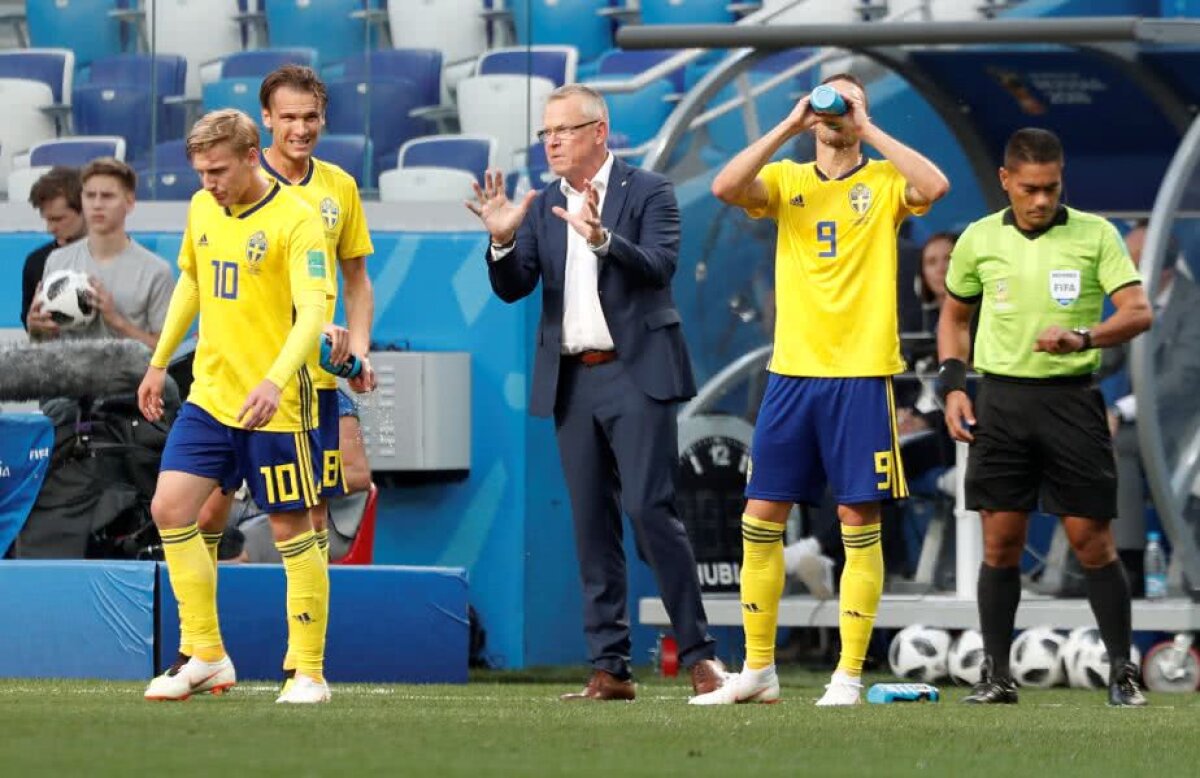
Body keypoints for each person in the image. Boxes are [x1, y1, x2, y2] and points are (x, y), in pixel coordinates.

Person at [693, 72, 949, 706]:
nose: (835, 111)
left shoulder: (884, 181)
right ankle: (758, 671)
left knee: (856, 518)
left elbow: (935, 186)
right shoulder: (787, 181)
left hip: (860, 375)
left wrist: (867, 125)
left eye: (846, 99)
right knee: (760, 518)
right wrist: (789, 123)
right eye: (830, 101)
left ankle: (848, 676)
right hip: (792, 374)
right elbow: (726, 186)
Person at [465, 83, 726, 702]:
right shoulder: (541, 204)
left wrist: (604, 239)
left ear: (599, 132)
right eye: (545, 133)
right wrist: (502, 240)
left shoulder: (649, 191)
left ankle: (700, 656)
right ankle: (610, 668)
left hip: (637, 373)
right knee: (590, 524)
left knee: (648, 509)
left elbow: (660, 265)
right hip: (573, 380)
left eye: (564, 130)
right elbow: (514, 287)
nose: (551, 141)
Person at [937, 127, 1153, 706]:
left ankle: (1121, 673)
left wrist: (1085, 335)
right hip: (1001, 403)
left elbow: (1138, 312)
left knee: (1091, 543)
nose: (1040, 201)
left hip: (1071, 401)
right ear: (1007, 180)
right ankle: (996, 675)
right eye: (1029, 188)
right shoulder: (978, 240)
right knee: (1000, 543)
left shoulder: (1095, 234)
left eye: (1051, 188)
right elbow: (955, 317)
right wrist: (953, 387)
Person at [182, 65, 376, 695]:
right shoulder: (230, 184)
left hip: (306, 384)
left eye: (310, 117)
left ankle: (304, 662)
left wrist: (360, 350)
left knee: (308, 516)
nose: (300, 128)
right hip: (232, 385)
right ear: (264, 121)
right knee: (203, 511)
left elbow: (353, 282)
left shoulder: (337, 189)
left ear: (322, 119)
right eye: (288, 117)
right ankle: (201, 648)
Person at [137, 109, 332, 704]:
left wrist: (275, 380)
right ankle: (207, 654)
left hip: (277, 404)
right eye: (199, 171)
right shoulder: (202, 209)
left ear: (253, 156)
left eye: (218, 170)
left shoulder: (298, 222)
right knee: (171, 509)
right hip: (211, 396)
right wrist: (157, 361)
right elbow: (193, 283)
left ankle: (309, 673)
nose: (208, 182)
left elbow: (316, 311)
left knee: (290, 527)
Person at [1105, 223, 1200, 583]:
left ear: (1159, 264)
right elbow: (1107, 354)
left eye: (1126, 262)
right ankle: (1112, 561)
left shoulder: (1194, 306)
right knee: (1099, 444)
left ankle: (1128, 565)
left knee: (1119, 440)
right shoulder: (1132, 306)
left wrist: (1120, 409)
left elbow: (1184, 378)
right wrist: (1069, 353)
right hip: (1149, 428)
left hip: (1187, 427)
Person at [29, 159, 173, 348]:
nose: (97, 204)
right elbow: (41, 345)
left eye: (107, 196)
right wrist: (36, 328)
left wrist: (116, 321)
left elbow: (165, 353)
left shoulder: (156, 271)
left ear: (129, 203)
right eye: (90, 195)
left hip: (127, 377)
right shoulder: (57, 261)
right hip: (67, 376)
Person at [21, 166, 85, 330]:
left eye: (58, 219)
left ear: (85, 209)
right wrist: (33, 325)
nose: (50, 229)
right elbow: (31, 330)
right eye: (47, 220)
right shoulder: (36, 262)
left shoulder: (114, 255)